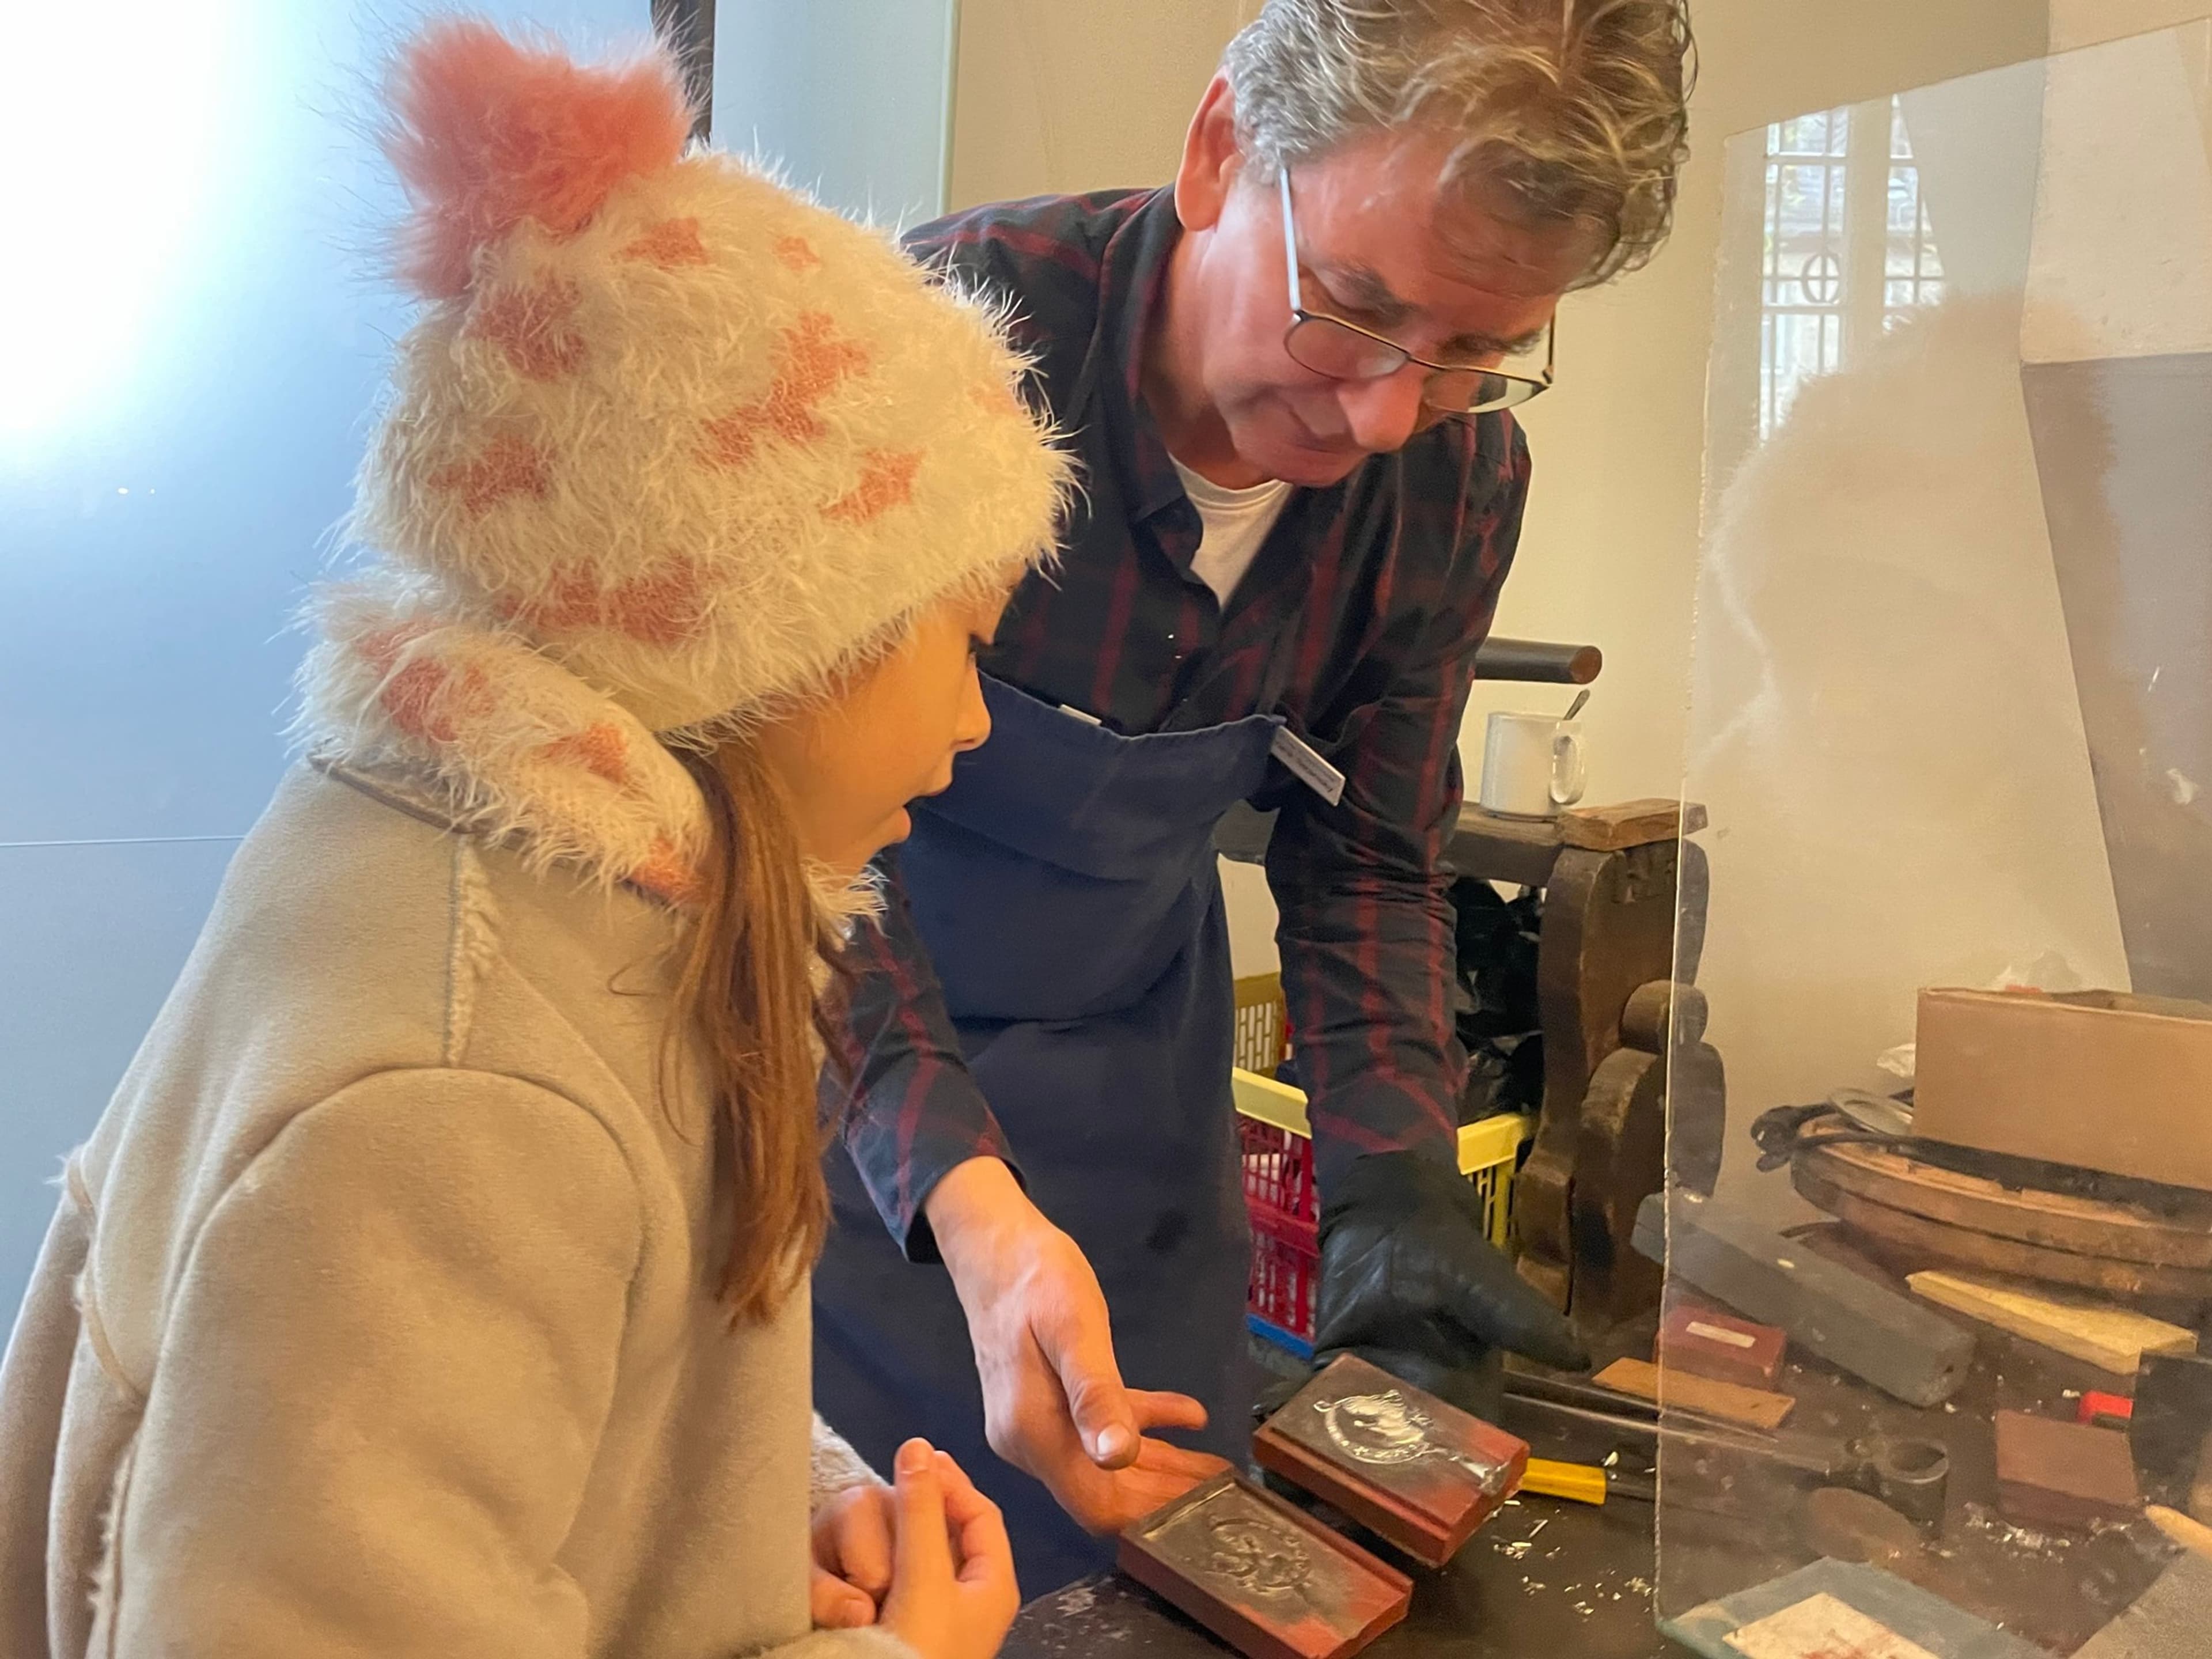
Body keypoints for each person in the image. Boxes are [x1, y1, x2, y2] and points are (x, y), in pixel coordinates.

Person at [0, 21, 1071, 1659]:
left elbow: (549, 1411)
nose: (977, 722)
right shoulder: (460, 1099)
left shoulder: (559, 894)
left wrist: (770, 1505)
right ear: (781, 634)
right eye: (963, 642)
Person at [813, 0, 1696, 1594]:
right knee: (882, 1589)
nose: (1379, 417)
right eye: (1353, 310)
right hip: (848, 1093)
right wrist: (967, 1199)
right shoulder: (932, 351)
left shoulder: (1452, 477)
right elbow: (788, 848)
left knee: (1168, 1585)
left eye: (1478, 355)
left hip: (1139, 1119)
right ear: (1224, 147)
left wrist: (1398, 1178)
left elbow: (1366, 852)